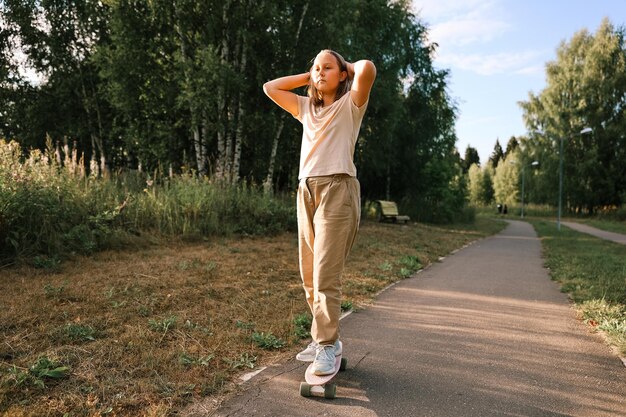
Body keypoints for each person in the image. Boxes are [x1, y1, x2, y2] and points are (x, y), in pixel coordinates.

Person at [263, 50, 376, 375]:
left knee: (326, 275)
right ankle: (326, 339)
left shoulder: (351, 104)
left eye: (328, 68)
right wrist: (309, 74)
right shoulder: (306, 107)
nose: (320, 72)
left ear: (342, 74)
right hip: (306, 190)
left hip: (338, 189)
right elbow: (271, 87)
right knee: (310, 275)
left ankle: (326, 346)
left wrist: (346, 67)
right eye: (316, 68)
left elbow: (367, 68)